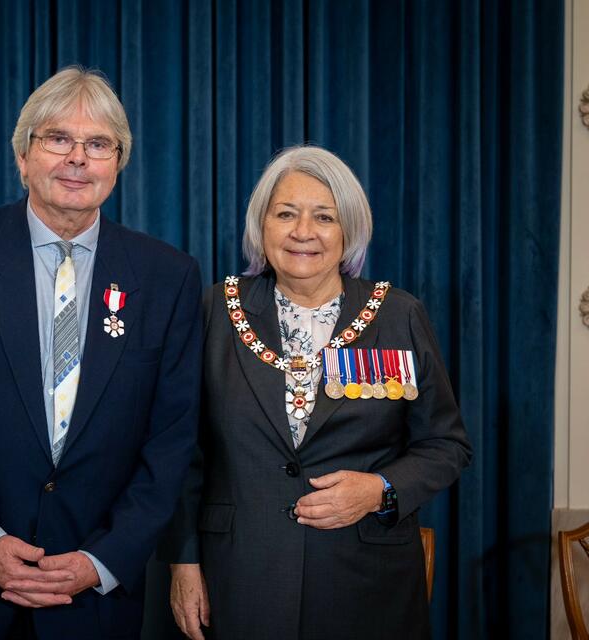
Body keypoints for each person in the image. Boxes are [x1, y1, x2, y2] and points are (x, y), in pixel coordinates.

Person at [0, 66, 202, 639]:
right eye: (58, 139)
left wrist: (101, 561)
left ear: (118, 164)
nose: (78, 159)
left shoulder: (168, 276)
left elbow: (172, 441)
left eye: (98, 144)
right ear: (23, 156)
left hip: (95, 601)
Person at [161, 145, 472, 639]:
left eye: (323, 217)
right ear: (261, 226)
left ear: (347, 230)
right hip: (238, 577)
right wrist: (182, 563)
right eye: (286, 213)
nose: (303, 231)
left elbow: (446, 445)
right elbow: (178, 452)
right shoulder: (213, 312)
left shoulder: (398, 315)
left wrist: (379, 489)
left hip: (366, 584)